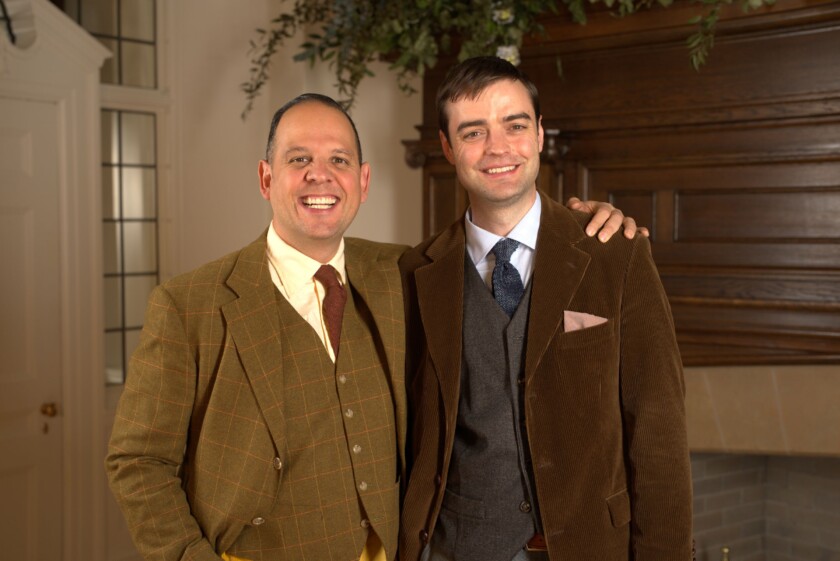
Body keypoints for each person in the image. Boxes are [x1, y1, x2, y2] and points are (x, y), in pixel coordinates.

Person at [105, 92, 640, 561]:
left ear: (362, 180)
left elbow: (502, 242)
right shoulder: (189, 305)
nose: (321, 175)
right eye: (299, 159)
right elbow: (138, 461)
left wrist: (587, 224)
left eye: (339, 159)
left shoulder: (403, 273)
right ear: (266, 177)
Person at [398, 57, 692, 561]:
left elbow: (658, 429)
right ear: (448, 147)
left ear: (538, 133)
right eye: (473, 132)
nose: (498, 148)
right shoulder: (413, 273)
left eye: (514, 125)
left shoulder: (616, 253)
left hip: (592, 547)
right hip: (456, 547)